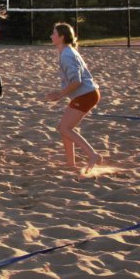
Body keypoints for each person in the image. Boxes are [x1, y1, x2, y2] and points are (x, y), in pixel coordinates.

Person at [44, 22, 103, 171]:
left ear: (62, 37)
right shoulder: (67, 51)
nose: (51, 36)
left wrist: (59, 94)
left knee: (65, 128)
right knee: (63, 127)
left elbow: (76, 81)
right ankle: (71, 163)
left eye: (54, 33)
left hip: (87, 95)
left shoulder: (67, 55)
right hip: (85, 94)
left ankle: (93, 155)